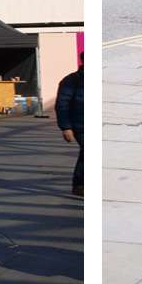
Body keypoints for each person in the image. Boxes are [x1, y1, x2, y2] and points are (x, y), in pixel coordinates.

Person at [55, 54, 84, 198]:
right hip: (80, 125)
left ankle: (80, 185)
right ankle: (79, 185)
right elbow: (62, 104)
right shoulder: (71, 80)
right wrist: (66, 127)